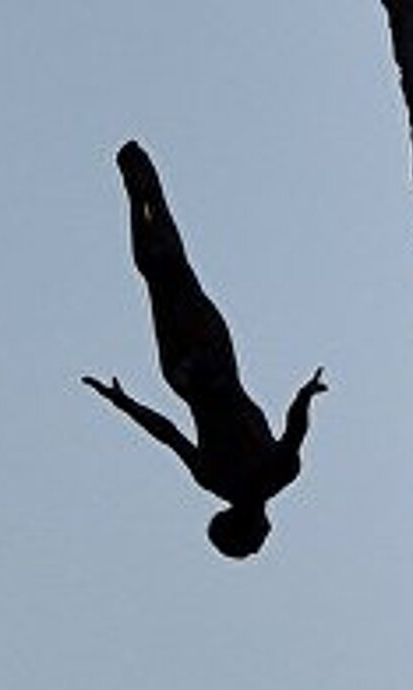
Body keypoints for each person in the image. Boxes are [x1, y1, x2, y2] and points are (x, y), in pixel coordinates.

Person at [83, 140, 326, 558]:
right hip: (182, 375)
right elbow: (168, 433)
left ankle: (146, 189)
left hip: (213, 366)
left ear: (248, 528)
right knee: (157, 278)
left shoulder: (277, 474)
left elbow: (295, 429)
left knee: (175, 273)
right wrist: (122, 403)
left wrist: (305, 395)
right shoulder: (213, 480)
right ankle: (137, 190)